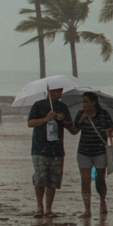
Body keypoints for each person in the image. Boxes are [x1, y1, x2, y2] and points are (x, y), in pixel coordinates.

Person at [26, 87, 76, 217]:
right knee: (40, 177)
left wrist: (62, 120)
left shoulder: (62, 106)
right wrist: (46, 118)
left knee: (53, 179)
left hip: (57, 148)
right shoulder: (38, 105)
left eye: (59, 92)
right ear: (48, 91)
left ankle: (48, 208)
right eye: (54, 91)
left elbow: (70, 126)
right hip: (39, 147)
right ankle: (39, 206)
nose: (57, 94)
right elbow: (30, 123)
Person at [69, 92, 113, 218]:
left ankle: (102, 201)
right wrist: (80, 121)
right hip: (83, 151)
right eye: (83, 102)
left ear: (93, 102)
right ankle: (87, 210)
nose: (84, 104)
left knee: (100, 178)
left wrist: (110, 132)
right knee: (85, 180)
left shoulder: (103, 114)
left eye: (86, 101)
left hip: (100, 152)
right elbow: (74, 131)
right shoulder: (80, 114)